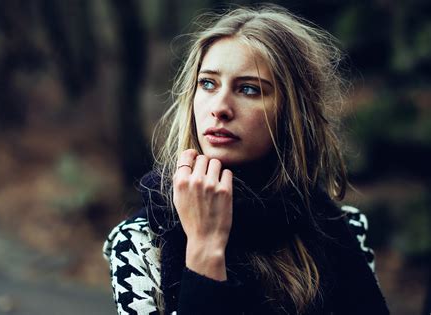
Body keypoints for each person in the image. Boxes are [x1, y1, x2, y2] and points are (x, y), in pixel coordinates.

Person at [103, 5, 389, 314]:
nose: (220, 107)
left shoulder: (341, 230)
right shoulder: (140, 241)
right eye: (208, 83)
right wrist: (205, 248)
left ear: (292, 112)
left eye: (249, 89)